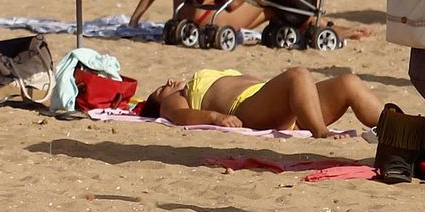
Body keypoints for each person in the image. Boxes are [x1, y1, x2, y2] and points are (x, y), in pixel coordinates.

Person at [139, 67, 383, 138]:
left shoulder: (185, 86)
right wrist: (215, 117)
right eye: (162, 89)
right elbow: (180, 117)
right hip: (248, 108)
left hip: (287, 106)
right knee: (297, 75)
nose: (169, 82)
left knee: (348, 82)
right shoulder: (172, 102)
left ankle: (396, 126)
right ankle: (321, 132)